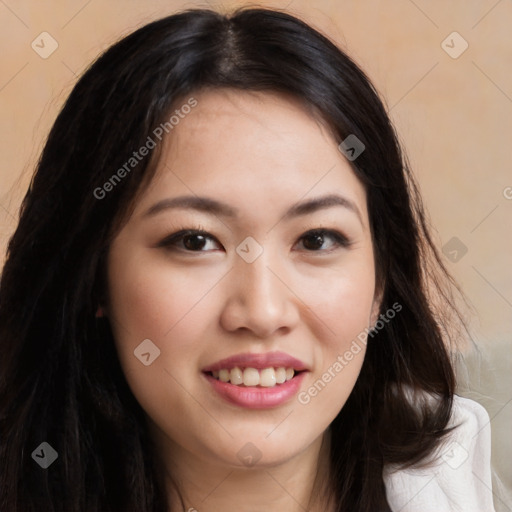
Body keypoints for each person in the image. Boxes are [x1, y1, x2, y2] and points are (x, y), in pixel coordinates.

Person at [0, 7, 496, 512]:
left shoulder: (453, 485)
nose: (261, 313)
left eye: (317, 239)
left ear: (381, 282)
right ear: (94, 278)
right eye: (195, 241)